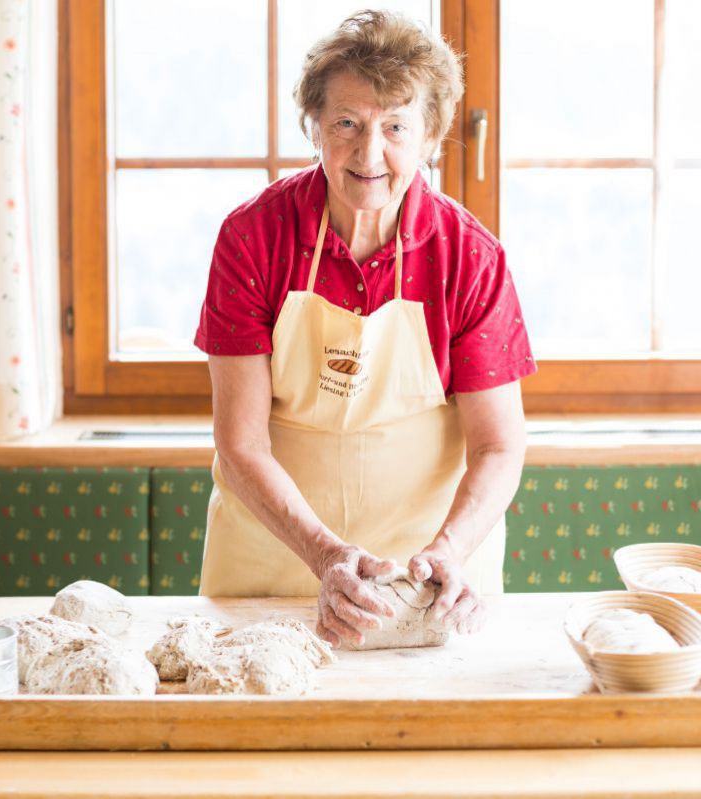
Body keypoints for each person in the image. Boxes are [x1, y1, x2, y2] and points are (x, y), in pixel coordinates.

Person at [193, 10, 535, 648]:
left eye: (396, 127)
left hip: (427, 576)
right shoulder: (253, 237)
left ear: (431, 136)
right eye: (347, 123)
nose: (369, 153)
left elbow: (497, 446)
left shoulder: (470, 256)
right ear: (315, 128)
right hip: (270, 558)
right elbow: (239, 441)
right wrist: (323, 554)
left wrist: (450, 551)